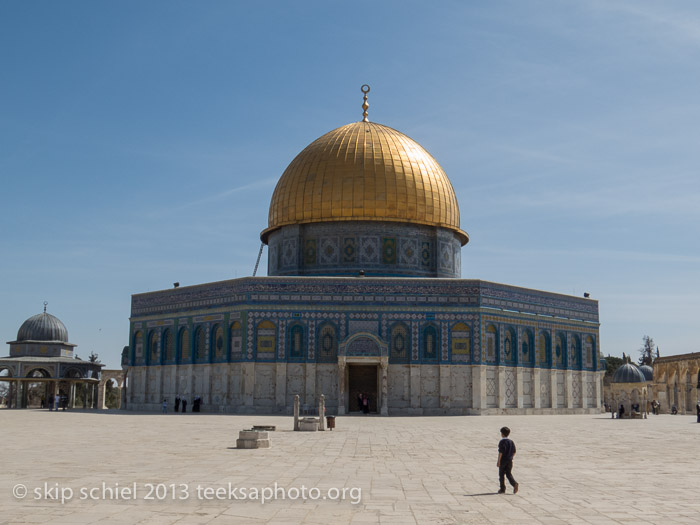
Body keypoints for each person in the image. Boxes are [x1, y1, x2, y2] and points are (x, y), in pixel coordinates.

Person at [497, 426, 518, 494]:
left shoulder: (502, 442)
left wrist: (498, 461)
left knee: (501, 474)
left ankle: (502, 489)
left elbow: (501, 452)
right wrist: (511, 457)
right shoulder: (511, 441)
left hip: (503, 460)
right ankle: (514, 484)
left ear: (502, 434)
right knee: (508, 473)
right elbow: (514, 451)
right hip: (509, 460)